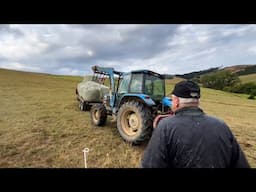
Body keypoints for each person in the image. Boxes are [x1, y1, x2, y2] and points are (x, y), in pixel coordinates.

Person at [141, 80, 250, 168]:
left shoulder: (165, 127)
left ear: (176, 101)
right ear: (197, 101)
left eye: (172, 99)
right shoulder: (222, 126)